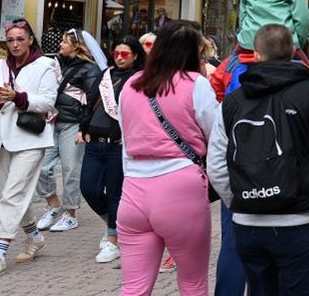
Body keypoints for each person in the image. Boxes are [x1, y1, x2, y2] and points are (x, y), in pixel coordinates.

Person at [207, 24, 309, 296]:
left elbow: (216, 164)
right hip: (299, 219)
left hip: (249, 222)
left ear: (255, 55)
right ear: (294, 52)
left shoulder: (232, 101)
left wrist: (236, 202)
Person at [117, 21, 217, 296]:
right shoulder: (196, 85)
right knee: (193, 284)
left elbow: (126, 140)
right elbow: (217, 138)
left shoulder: (130, 85)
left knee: (133, 288)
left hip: (134, 189)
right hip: (181, 187)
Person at [0, 19, 60, 280]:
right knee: (10, 193)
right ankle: (34, 236)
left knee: (12, 193)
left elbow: (48, 101)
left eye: (20, 39)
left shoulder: (45, 65)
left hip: (31, 139)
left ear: (30, 39)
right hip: (1, 137)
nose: (14, 44)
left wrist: (19, 98)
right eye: (10, 39)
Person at [79, 36, 145, 265]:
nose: (119, 57)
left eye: (124, 54)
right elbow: (90, 103)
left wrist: (130, 137)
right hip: (94, 142)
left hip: (118, 145)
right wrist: (83, 128)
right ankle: (114, 224)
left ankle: (113, 239)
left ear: (135, 55)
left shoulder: (139, 79)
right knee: (88, 189)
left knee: (116, 193)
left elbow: (142, 112)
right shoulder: (105, 75)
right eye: (116, 53)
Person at [35, 29, 103, 234]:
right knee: (40, 166)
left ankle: (70, 214)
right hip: (52, 120)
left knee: (71, 170)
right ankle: (54, 205)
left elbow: (94, 100)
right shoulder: (55, 63)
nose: (60, 46)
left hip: (73, 124)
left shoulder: (89, 70)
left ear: (76, 46)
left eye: (64, 42)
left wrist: (85, 127)